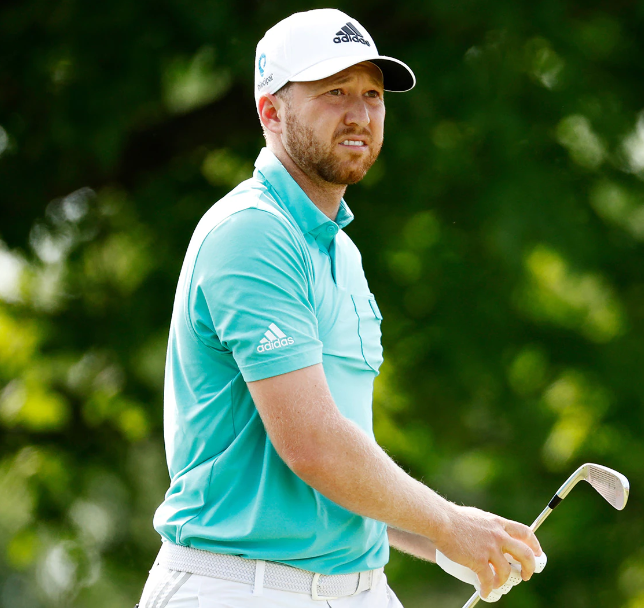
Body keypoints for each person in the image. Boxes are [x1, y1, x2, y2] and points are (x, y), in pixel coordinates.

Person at [136, 8, 542, 608]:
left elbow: (347, 458)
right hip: (240, 587)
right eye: (334, 92)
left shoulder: (340, 252)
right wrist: (450, 522)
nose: (360, 113)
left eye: (372, 94)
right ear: (270, 111)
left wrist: (443, 539)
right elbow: (313, 444)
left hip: (355, 589)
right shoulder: (253, 232)